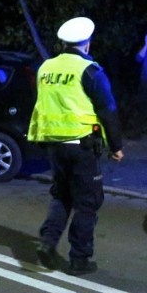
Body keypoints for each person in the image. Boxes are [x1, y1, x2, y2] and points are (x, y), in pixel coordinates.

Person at [28, 16, 124, 275]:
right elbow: (107, 109)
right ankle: (79, 259)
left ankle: (47, 243)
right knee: (87, 202)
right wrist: (116, 146)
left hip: (54, 146)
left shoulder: (45, 68)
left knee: (62, 195)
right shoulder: (90, 71)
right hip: (81, 147)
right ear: (87, 44)